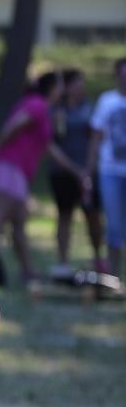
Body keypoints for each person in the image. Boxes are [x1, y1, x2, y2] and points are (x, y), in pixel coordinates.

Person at [0, 72, 77, 289]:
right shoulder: (37, 104)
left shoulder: (42, 108)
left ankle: (28, 271)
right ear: (52, 87)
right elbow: (15, 125)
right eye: (60, 86)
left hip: (18, 171)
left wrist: (74, 170)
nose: (62, 90)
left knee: (18, 223)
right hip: (9, 167)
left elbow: (48, 147)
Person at [50, 69, 103, 272]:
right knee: (64, 215)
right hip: (62, 172)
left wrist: (87, 169)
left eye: (82, 83)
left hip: (88, 171)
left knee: (93, 215)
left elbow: (95, 139)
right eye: (77, 83)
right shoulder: (56, 110)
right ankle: (63, 262)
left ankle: (98, 259)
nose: (81, 87)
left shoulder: (89, 109)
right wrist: (73, 169)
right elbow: (51, 142)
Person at [87, 56, 126, 279]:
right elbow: (96, 136)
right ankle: (114, 275)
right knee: (113, 224)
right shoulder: (107, 101)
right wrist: (89, 170)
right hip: (110, 170)